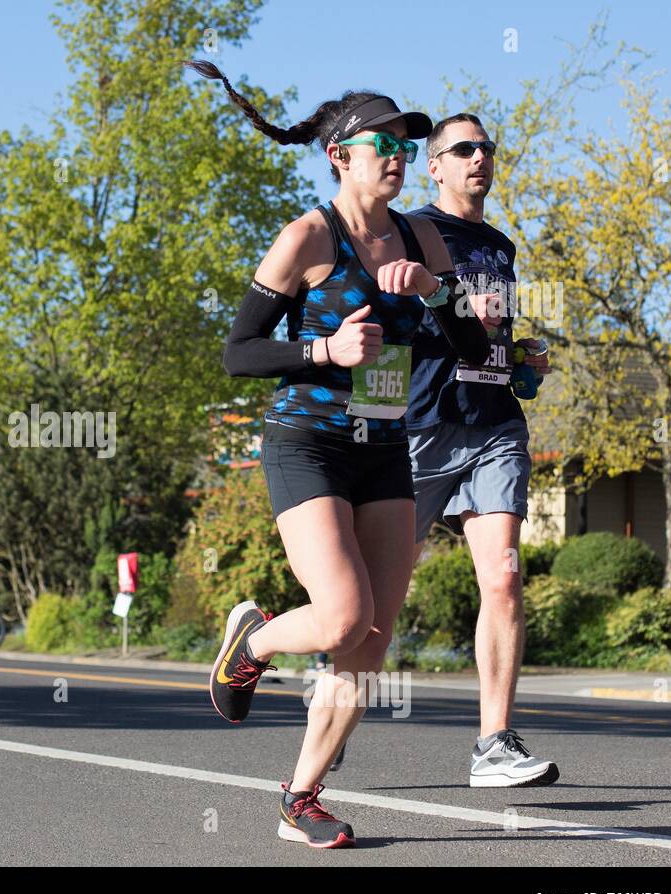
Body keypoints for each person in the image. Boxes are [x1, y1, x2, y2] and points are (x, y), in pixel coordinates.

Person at [191, 60, 489, 848]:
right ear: (340, 156)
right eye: (380, 142)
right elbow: (239, 354)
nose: (396, 153)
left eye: (403, 142)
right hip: (309, 445)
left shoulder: (423, 236)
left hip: (383, 449)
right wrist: (324, 351)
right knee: (343, 611)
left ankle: (301, 796)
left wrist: (433, 290)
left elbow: (467, 342)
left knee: (369, 640)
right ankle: (249, 643)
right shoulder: (307, 237)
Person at [406, 114, 557, 787]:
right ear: (433, 165)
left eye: (486, 148)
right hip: (423, 425)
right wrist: (456, 310)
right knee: (369, 598)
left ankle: (494, 743)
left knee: (502, 577)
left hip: (494, 424)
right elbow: (394, 316)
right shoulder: (412, 231)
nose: (479, 158)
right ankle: (279, 655)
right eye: (462, 149)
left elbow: (491, 338)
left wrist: (521, 358)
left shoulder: (500, 245)